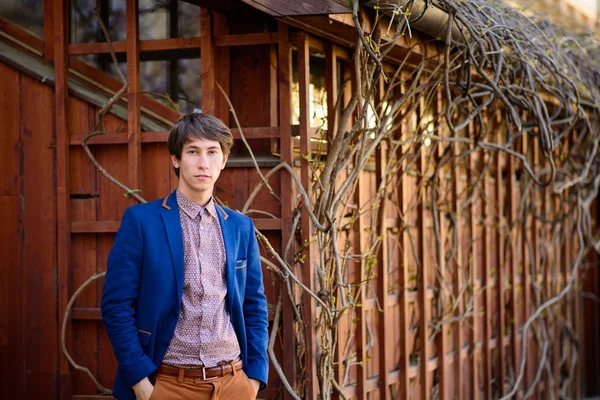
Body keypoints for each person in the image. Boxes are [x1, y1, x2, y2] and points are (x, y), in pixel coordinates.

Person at [101, 113, 269, 400]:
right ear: (176, 159)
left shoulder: (241, 226)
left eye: (212, 152)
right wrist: (141, 381)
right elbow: (116, 305)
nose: (203, 163)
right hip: (167, 384)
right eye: (193, 151)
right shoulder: (142, 222)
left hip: (233, 383)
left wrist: (254, 377)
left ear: (223, 160)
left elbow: (254, 304)